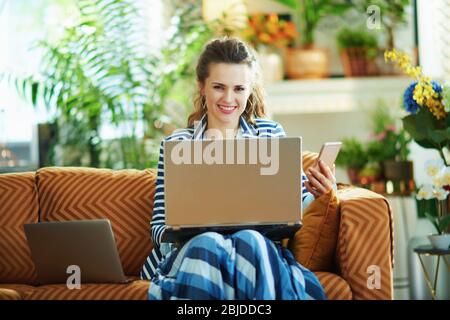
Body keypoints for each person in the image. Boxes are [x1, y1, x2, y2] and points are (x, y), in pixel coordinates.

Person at [140, 37, 336, 300]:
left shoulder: (270, 135)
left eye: (239, 89)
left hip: (256, 246)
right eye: (219, 87)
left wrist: (321, 193)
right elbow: (158, 226)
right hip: (193, 249)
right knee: (208, 243)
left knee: (250, 240)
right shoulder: (178, 144)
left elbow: (297, 205)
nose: (229, 99)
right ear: (202, 87)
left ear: (249, 90)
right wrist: (181, 228)